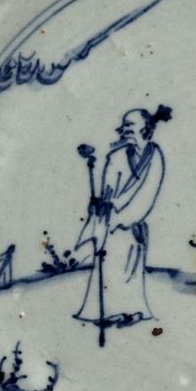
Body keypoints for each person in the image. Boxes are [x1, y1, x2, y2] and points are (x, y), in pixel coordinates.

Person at [74, 104, 172, 339]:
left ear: (145, 128)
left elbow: (148, 194)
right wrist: (99, 206)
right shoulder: (116, 157)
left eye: (131, 125)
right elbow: (107, 191)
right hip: (112, 223)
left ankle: (132, 310)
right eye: (124, 125)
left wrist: (125, 217)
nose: (126, 129)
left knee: (131, 269)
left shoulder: (155, 156)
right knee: (109, 266)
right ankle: (107, 312)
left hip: (131, 224)